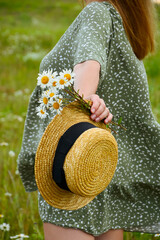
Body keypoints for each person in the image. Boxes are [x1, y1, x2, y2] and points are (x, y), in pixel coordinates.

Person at [17, 0, 160, 239]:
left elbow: (88, 62)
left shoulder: (98, 12)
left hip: (72, 165)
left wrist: (84, 98)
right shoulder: (123, 27)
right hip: (102, 172)